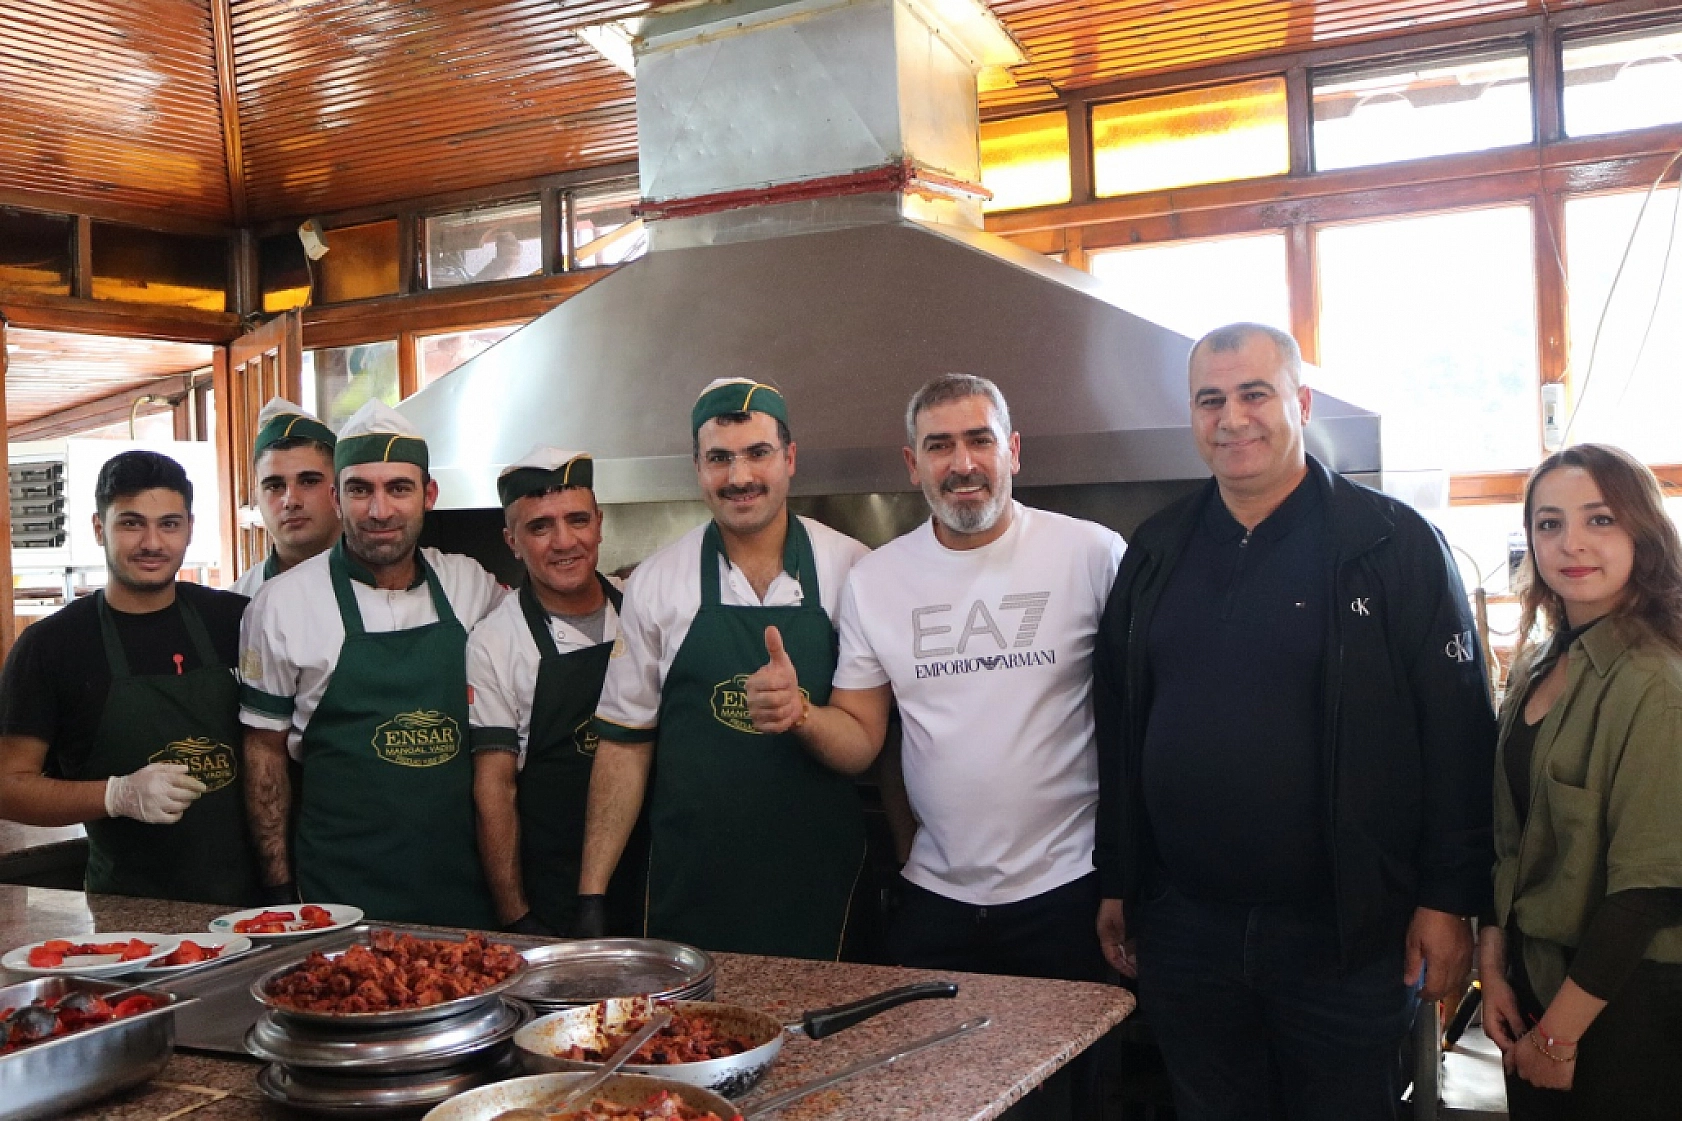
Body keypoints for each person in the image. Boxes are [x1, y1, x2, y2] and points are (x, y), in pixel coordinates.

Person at [1093, 322, 1497, 1121]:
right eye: (1211, 400)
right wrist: (1119, 875)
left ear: (1301, 403)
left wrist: (1449, 899)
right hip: (1187, 928)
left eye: (1255, 394)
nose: (1232, 418)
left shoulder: (1393, 544)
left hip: (1344, 934)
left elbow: (1457, 735)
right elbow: (1119, 720)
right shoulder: (1158, 548)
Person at [745, 373, 1124, 983]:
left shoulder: (1092, 556)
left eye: (980, 440)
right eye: (939, 446)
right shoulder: (878, 580)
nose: (962, 464)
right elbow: (862, 736)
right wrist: (801, 714)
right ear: (912, 464)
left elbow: (1141, 719)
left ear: (1012, 451)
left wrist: (1128, 879)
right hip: (936, 900)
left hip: (1070, 890)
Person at [580, 378, 870, 957]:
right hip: (690, 882)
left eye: (758, 453)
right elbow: (625, 745)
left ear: (790, 458)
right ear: (697, 467)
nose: (739, 477)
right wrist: (593, 894)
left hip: (819, 881)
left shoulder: (853, 570)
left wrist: (799, 711)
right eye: (719, 459)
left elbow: (871, 741)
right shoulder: (657, 581)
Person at [239, 400, 505, 925]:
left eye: (398, 488)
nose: (379, 510)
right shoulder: (282, 604)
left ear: (429, 494)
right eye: (360, 490)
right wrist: (281, 890)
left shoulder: (470, 584)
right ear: (336, 498)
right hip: (338, 895)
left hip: (464, 891)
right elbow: (263, 754)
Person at [1478, 444, 1682, 1120]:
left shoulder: (1657, 681)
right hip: (1534, 982)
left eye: (1599, 519)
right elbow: (1510, 838)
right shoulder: (1541, 660)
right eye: (1549, 523)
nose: (1571, 543)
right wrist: (1493, 965)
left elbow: (1650, 889)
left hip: (1624, 1002)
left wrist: (1558, 1036)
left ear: (1642, 531)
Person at [0, 450, 259, 904]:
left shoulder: (237, 621)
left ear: (189, 528)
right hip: (129, 911)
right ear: (99, 527)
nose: (152, 543)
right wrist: (115, 796)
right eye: (131, 523)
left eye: (169, 524)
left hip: (257, 906)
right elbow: (8, 787)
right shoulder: (52, 645)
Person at [467, 447, 644, 936]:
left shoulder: (642, 610)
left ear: (600, 524)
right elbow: (494, 789)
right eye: (540, 527)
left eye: (578, 520)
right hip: (554, 896)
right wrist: (517, 917)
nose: (564, 542)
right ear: (512, 541)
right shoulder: (495, 641)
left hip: (655, 884)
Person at [231, 397, 340, 596]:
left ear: (339, 489)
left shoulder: (386, 584)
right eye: (275, 486)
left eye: (309, 482)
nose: (291, 501)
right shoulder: (241, 601)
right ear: (257, 497)